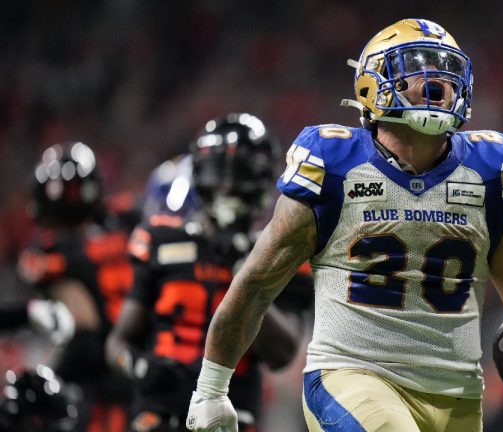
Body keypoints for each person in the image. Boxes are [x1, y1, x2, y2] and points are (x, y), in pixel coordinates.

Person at [186, 18, 503, 432]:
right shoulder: (334, 162)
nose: (435, 82)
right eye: (415, 67)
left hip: (457, 393)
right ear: (372, 85)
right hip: (351, 376)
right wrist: (211, 388)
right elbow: (256, 283)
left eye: (445, 70)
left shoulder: (489, 171)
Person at [106, 113, 312, 432]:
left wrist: (246, 275)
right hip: (157, 412)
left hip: (232, 415)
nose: (227, 186)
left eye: (240, 175)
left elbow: (281, 354)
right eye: (219, 174)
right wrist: (140, 367)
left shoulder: (280, 252)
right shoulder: (160, 239)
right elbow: (118, 344)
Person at [15, 141, 136, 431]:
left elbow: (84, 334)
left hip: (102, 389)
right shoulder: (127, 219)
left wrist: (48, 377)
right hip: (150, 372)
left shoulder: (49, 256)